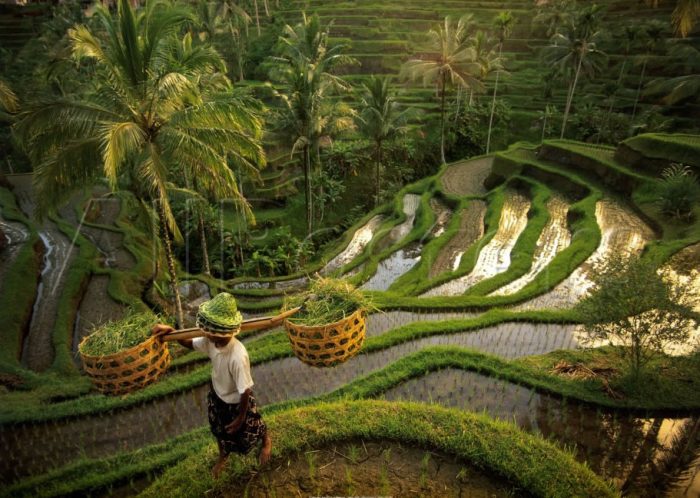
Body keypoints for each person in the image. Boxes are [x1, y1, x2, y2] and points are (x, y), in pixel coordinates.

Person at [152, 319, 272, 478]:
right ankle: (223, 454)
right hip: (217, 394)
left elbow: (245, 391)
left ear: (221, 334)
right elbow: (189, 343)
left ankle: (266, 441)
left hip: (238, 401)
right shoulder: (211, 340)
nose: (205, 333)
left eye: (209, 331)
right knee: (218, 428)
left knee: (253, 426)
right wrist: (172, 331)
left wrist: (240, 418)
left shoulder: (238, 355)